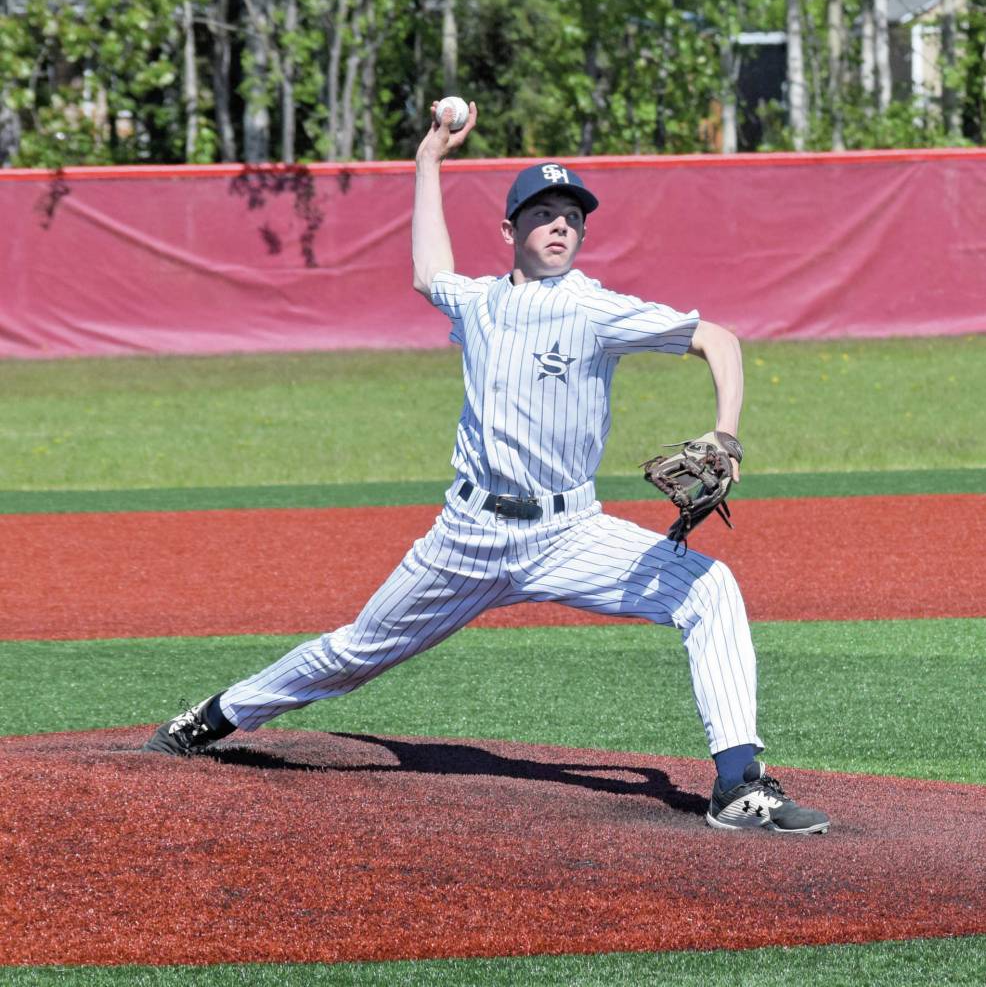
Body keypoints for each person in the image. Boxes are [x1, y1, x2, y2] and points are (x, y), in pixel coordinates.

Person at [144, 102, 829, 835]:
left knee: (710, 588)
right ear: (510, 231)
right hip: (466, 536)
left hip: (570, 532)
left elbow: (718, 339)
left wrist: (726, 434)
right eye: (542, 212)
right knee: (353, 653)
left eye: (572, 213)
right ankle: (216, 715)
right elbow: (427, 270)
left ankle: (736, 783)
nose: (560, 223)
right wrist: (428, 161)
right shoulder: (476, 303)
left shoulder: (596, 309)